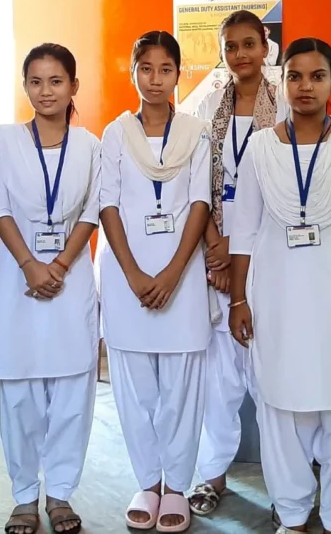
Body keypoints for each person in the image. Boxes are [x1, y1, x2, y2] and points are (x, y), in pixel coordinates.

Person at [227, 37, 331, 534]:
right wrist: (238, 299)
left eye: (317, 76)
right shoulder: (260, 148)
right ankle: (293, 516)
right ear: (281, 82)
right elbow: (244, 230)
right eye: (295, 76)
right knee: (282, 406)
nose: (305, 86)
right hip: (277, 299)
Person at [97, 30, 212, 532]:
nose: (156, 79)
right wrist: (134, 273)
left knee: (182, 389)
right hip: (128, 276)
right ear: (133, 73)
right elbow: (107, 203)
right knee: (135, 386)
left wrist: (171, 273)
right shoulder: (115, 134)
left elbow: (200, 203)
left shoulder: (196, 133)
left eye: (166, 69)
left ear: (178, 75)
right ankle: (147, 482)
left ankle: (178, 487)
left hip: (180, 276)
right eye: (146, 68)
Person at [0, 44, 100, 534]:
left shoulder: (90, 146)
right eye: (36, 81)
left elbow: (92, 211)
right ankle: (24, 498)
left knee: (72, 391)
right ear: (25, 86)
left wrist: (60, 264)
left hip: (69, 280)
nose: (46, 91)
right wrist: (31, 265)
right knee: (20, 393)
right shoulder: (3, 141)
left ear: (74, 86)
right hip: (18, 280)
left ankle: (61, 495)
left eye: (56, 81)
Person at [188, 11, 288, 517]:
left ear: (265, 47)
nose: (241, 54)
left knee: (272, 379)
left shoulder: (285, 101)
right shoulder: (209, 105)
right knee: (219, 380)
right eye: (231, 46)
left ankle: (285, 490)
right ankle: (212, 476)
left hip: (268, 253)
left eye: (249, 43)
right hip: (217, 255)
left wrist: (238, 246)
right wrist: (217, 245)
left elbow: (292, 185)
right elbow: (196, 182)